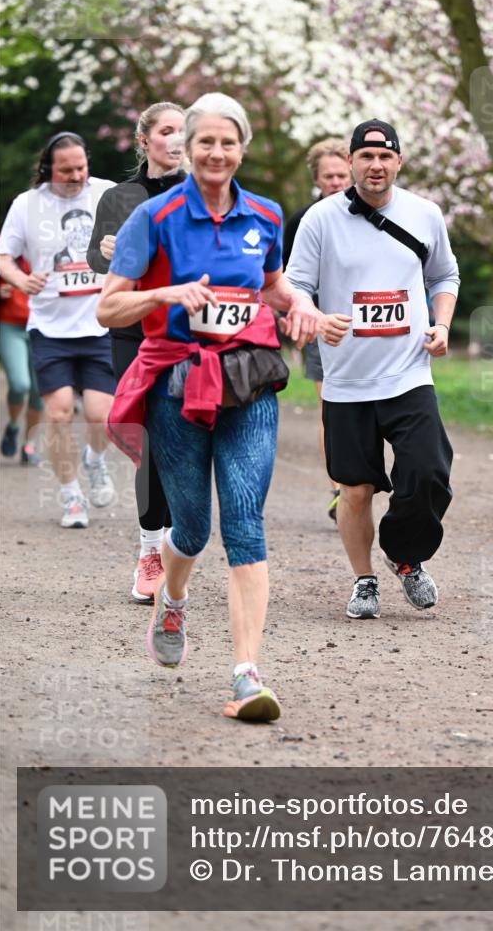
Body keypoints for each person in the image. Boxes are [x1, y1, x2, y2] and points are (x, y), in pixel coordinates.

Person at [97, 92, 318, 722]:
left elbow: (272, 285)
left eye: (228, 142)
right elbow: (108, 307)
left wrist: (297, 305)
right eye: (205, 142)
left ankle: (247, 674)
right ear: (185, 149)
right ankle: (173, 596)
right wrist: (165, 292)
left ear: (241, 148)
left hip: (248, 383)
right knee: (191, 528)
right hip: (176, 384)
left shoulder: (266, 216)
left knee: (245, 521)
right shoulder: (156, 216)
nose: (216, 153)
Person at [286, 119, 459, 620]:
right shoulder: (320, 219)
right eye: (365, 157)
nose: (375, 166)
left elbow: (445, 274)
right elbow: (295, 284)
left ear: (399, 162)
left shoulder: (424, 214)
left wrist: (442, 324)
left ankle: (404, 554)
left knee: (429, 471)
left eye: (385, 157)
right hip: (346, 380)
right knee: (355, 490)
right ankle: (364, 582)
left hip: (408, 372)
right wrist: (316, 318)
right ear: (352, 162)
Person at [87, 102, 186, 604]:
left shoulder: (202, 195)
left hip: (186, 331)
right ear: (144, 140)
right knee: (148, 437)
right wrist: (104, 252)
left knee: (182, 438)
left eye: (182, 132)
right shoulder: (119, 197)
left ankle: (176, 544)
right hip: (132, 330)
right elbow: (92, 255)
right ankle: (150, 549)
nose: (175, 139)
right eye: (165, 131)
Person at [0, 132, 116, 528]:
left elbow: (145, 240)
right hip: (49, 326)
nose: (76, 176)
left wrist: (123, 251)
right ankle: (71, 497)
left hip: (99, 323)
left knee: (102, 416)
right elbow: (3, 255)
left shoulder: (107, 194)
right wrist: (19, 279)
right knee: (60, 412)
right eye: (66, 170)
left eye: (81, 167)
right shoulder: (28, 205)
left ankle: (95, 460)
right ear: (49, 169)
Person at [283, 137, 351, 521]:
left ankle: (361, 481)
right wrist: (299, 319)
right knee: (331, 409)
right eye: (329, 177)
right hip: (322, 328)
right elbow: (288, 281)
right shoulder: (302, 221)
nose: (337, 182)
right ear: (317, 179)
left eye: (342, 174)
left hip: (368, 327)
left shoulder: (373, 215)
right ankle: (338, 488)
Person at [0, 257, 43, 464]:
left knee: (39, 391)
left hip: (42, 327)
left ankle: (29, 444)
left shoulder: (46, 248)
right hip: (9, 325)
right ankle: (14, 426)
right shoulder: (3, 253)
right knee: (19, 384)